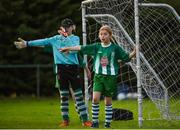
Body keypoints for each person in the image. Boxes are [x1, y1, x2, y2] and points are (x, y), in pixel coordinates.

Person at [14, 18, 92, 127]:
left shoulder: (75, 38)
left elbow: (74, 50)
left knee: (78, 95)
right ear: (61, 27)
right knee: (64, 96)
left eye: (68, 27)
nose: (66, 29)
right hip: (61, 69)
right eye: (64, 27)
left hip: (73, 69)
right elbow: (42, 41)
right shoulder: (55, 39)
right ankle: (65, 120)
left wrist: (66, 37)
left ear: (72, 27)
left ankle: (85, 120)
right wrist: (27, 43)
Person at [59, 25, 136, 128]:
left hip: (110, 77)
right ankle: (94, 122)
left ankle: (107, 123)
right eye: (101, 34)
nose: (102, 36)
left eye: (105, 34)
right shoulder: (96, 46)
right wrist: (68, 48)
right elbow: (81, 47)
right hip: (98, 77)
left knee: (108, 101)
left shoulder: (115, 48)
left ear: (110, 35)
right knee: (95, 99)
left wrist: (134, 52)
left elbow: (126, 58)